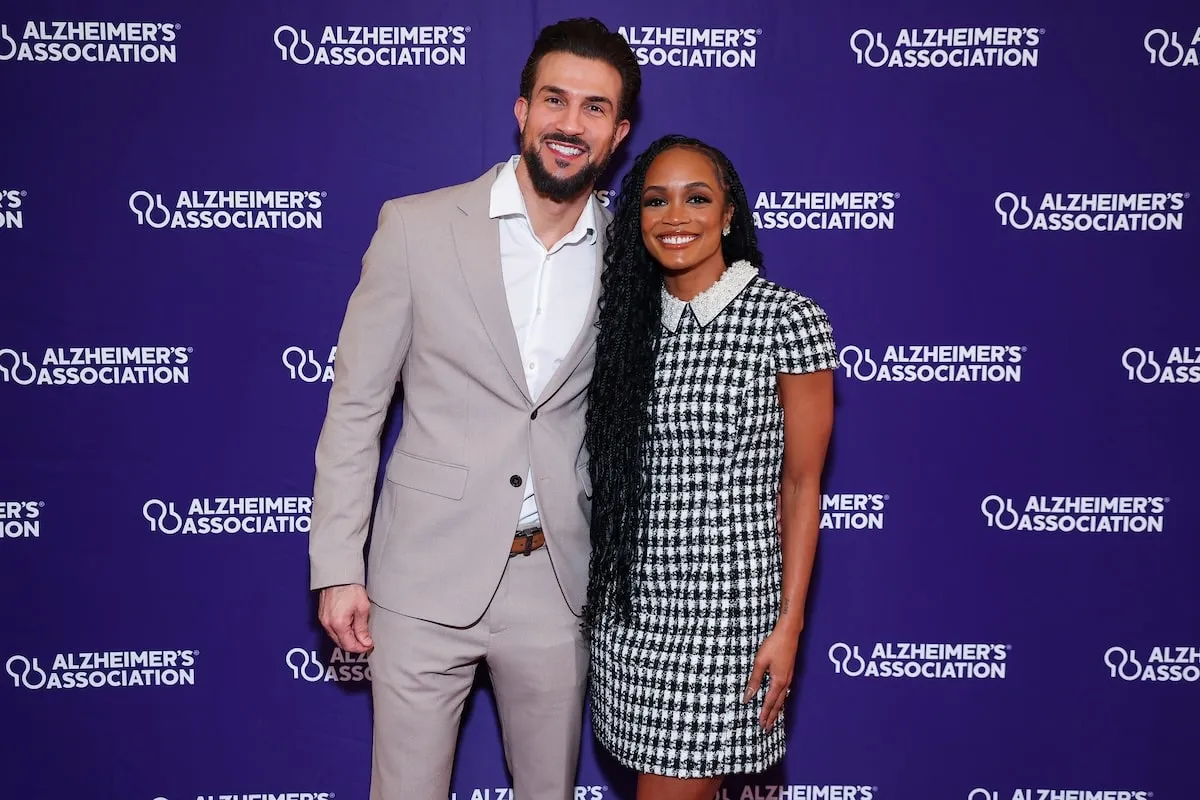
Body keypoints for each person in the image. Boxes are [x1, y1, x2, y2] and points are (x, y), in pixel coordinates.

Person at [307, 18, 639, 800]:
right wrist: (336, 567)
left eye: (594, 108)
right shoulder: (416, 228)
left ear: (619, 133)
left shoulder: (632, 252)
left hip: (558, 581)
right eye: (555, 100)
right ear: (522, 110)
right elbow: (355, 407)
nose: (570, 123)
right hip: (420, 576)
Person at [584, 134, 837, 800]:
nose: (676, 217)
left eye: (697, 199)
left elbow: (802, 484)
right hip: (630, 616)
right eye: (655, 201)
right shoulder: (624, 327)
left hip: (725, 617)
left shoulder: (787, 319)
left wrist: (790, 625)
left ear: (728, 215)